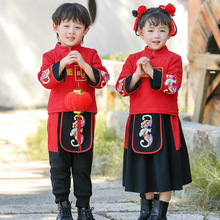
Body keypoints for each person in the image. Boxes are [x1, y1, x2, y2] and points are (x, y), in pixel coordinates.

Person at [116, 3, 192, 220]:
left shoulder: (174, 59)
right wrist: (138, 75)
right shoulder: (132, 60)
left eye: (162, 30)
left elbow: (173, 85)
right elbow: (122, 87)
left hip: (165, 120)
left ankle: (160, 213)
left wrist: (151, 71)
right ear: (140, 32)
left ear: (170, 32)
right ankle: (145, 212)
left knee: (164, 166)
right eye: (150, 30)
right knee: (145, 167)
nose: (156, 35)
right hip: (139, 120)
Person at [38, 3, 110, 220]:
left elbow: (103, 80)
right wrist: (62, 63)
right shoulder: (50, 56)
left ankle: (84, 208)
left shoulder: (91, 54)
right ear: (55, 27)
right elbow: (44, 79)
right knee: (58, 164)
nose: (71, 31)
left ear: (86, 30)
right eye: (66, 26)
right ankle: (62, 206)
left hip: (84, 117)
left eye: (77, 27)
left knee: (82, 165)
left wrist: (85, 64)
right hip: (58, 116)